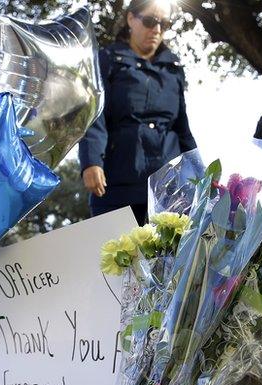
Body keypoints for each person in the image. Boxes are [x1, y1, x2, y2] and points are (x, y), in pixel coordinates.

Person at [79, 0, 198, 226]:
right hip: (117, 183)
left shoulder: (174, 70)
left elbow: (183, 130)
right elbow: (94, 115)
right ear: (131, 18)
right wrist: (91, 161)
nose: (157, 29)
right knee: (118, 257)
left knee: (168, 258)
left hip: (170, 188)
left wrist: (201, 173)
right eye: (150, 20)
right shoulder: (106, 60)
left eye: (164, 23)